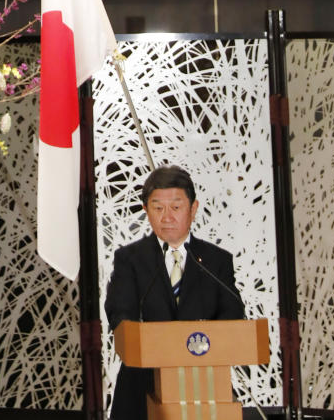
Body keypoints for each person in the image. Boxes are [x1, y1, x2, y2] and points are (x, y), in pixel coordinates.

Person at [104, 165, 245, 420]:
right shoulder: (129, 259)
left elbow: (233, 313)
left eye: (176, 207)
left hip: (205, 387)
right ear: (146, 211)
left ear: (193, 209)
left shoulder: (216, 261)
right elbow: (120, 313)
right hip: (141, 391)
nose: (167, 216)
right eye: (158, 208)